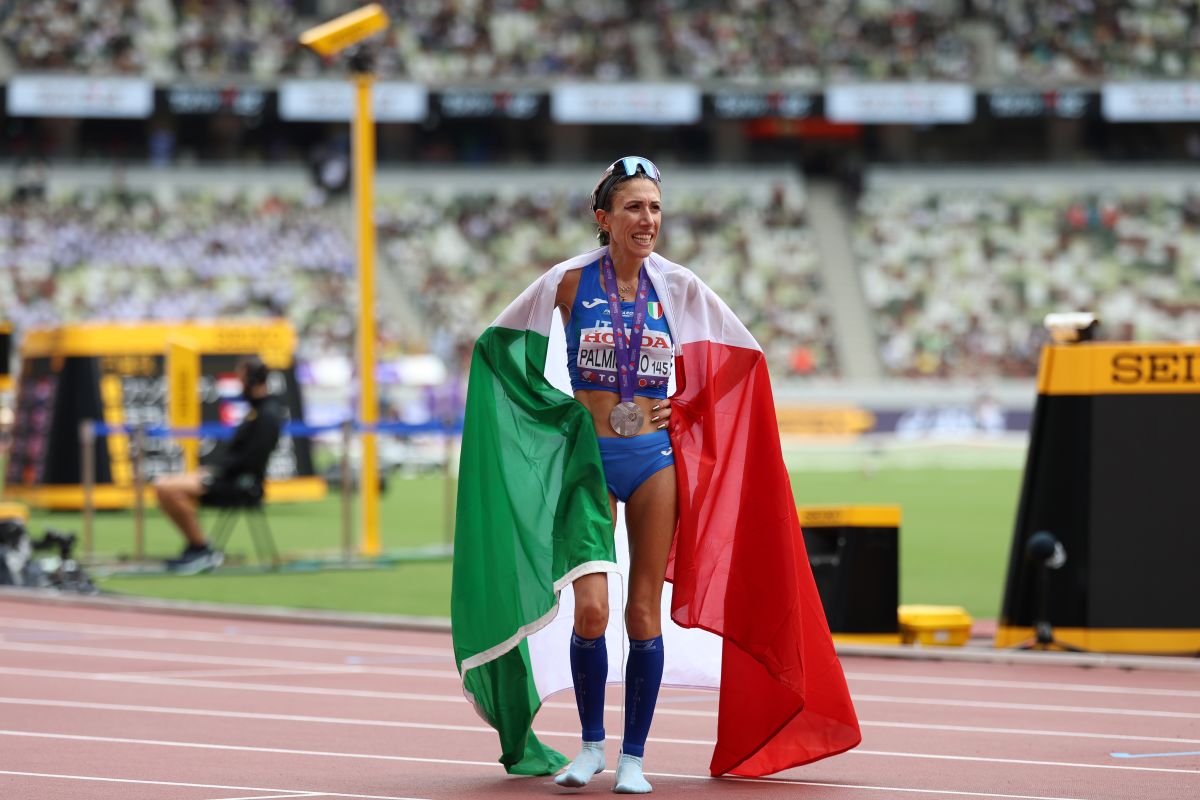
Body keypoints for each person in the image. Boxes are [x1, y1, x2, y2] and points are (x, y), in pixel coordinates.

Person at [451, 158, 860, 790]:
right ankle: (591, 746)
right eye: (634, 207)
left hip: (653, 461)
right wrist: (559, 411)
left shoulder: (679, 287)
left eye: (655, 208)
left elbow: (743, 359)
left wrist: (688, 405)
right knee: (591, 611)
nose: (647, 220)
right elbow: (496, 348)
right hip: (588, 462)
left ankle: (634, 759)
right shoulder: (566, 282)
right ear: (604, 217)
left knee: (643, 612)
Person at [154, 356, 283, 574]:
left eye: (242, 379)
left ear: (252, 380)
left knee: (168, 488)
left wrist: (217, 474)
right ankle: (197, 545)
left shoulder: (267, 414)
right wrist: (214, 472)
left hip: (241, 485)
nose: (239, 384)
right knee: (163, 485)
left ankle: (201, 548)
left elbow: (251, 460)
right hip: (228, 477)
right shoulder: (257, 411)